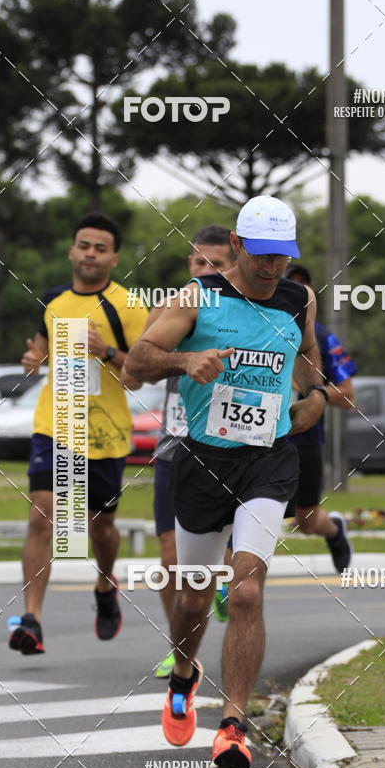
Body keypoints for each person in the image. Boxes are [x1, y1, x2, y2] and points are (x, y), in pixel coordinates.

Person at [126, 195, 328, 768]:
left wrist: (313, 395)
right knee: (193, 597)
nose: (272, 270)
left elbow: (308, 353)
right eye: (262, 256)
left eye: (282, 258)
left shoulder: (298, 298)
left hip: (267, 460)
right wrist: (184, 363)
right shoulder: (198, 297)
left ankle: (234, 725)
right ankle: (184, 674)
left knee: (245, 591)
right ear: (236, 246)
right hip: (200, 462)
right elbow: (137, 362)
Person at [8, 213, 148, 655]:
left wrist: (106, 351)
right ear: (72, 251)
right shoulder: (51, 299)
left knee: (100, 527)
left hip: (104, 432)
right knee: (41, 514)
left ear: (114, 257)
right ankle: (32, 619)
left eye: (100, 248)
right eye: (84, 245)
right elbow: (41, 349)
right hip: (55, 424)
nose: (90, 254)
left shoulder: (127, 306)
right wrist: (34, 358)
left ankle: (106, 585)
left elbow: (141, 373)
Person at [144, 225, 236, 678]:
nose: (206, 272)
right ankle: (181, 648)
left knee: (236, 567)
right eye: (199, 263)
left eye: (216, 265)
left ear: (233, 264)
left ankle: (219, 582)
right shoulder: (173, 307)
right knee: (169, 561)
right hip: (175, 447)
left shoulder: (242, 310)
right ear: (189, 265)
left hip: (231, 448)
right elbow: (133, 373)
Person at [285, 263, 356, 573]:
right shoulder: (249, 324)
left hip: (305, 439)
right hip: (255, 439)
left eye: (304, 289)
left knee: (307, 521)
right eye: (290, 286)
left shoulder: (323, 338)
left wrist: (317, 395)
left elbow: (348, 395)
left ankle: (335, 530)